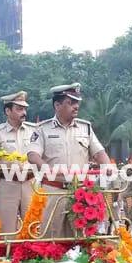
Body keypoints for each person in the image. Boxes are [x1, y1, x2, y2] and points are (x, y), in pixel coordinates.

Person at [26, 83, 110, 238]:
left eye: (77, 102)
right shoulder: (42, 129)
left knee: (80, 238)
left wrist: (107, 165)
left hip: (80, 192)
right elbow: (32, 154)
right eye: (70, 103)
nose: (76, 106)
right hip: (53, 190)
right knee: (52, 236)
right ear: (57, 105)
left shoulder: (85, 128)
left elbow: (99, 153)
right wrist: (46, 168)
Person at [0, 91, 39, 233]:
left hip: (30, 183)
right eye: (19, 109)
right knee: (8, 230)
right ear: (8, 111)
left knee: (32, 227)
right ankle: (9, 255)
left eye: (24, 109)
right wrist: (9, 166)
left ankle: (32, 255)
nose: (24, 112)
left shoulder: (34, 130)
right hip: (8, 183)